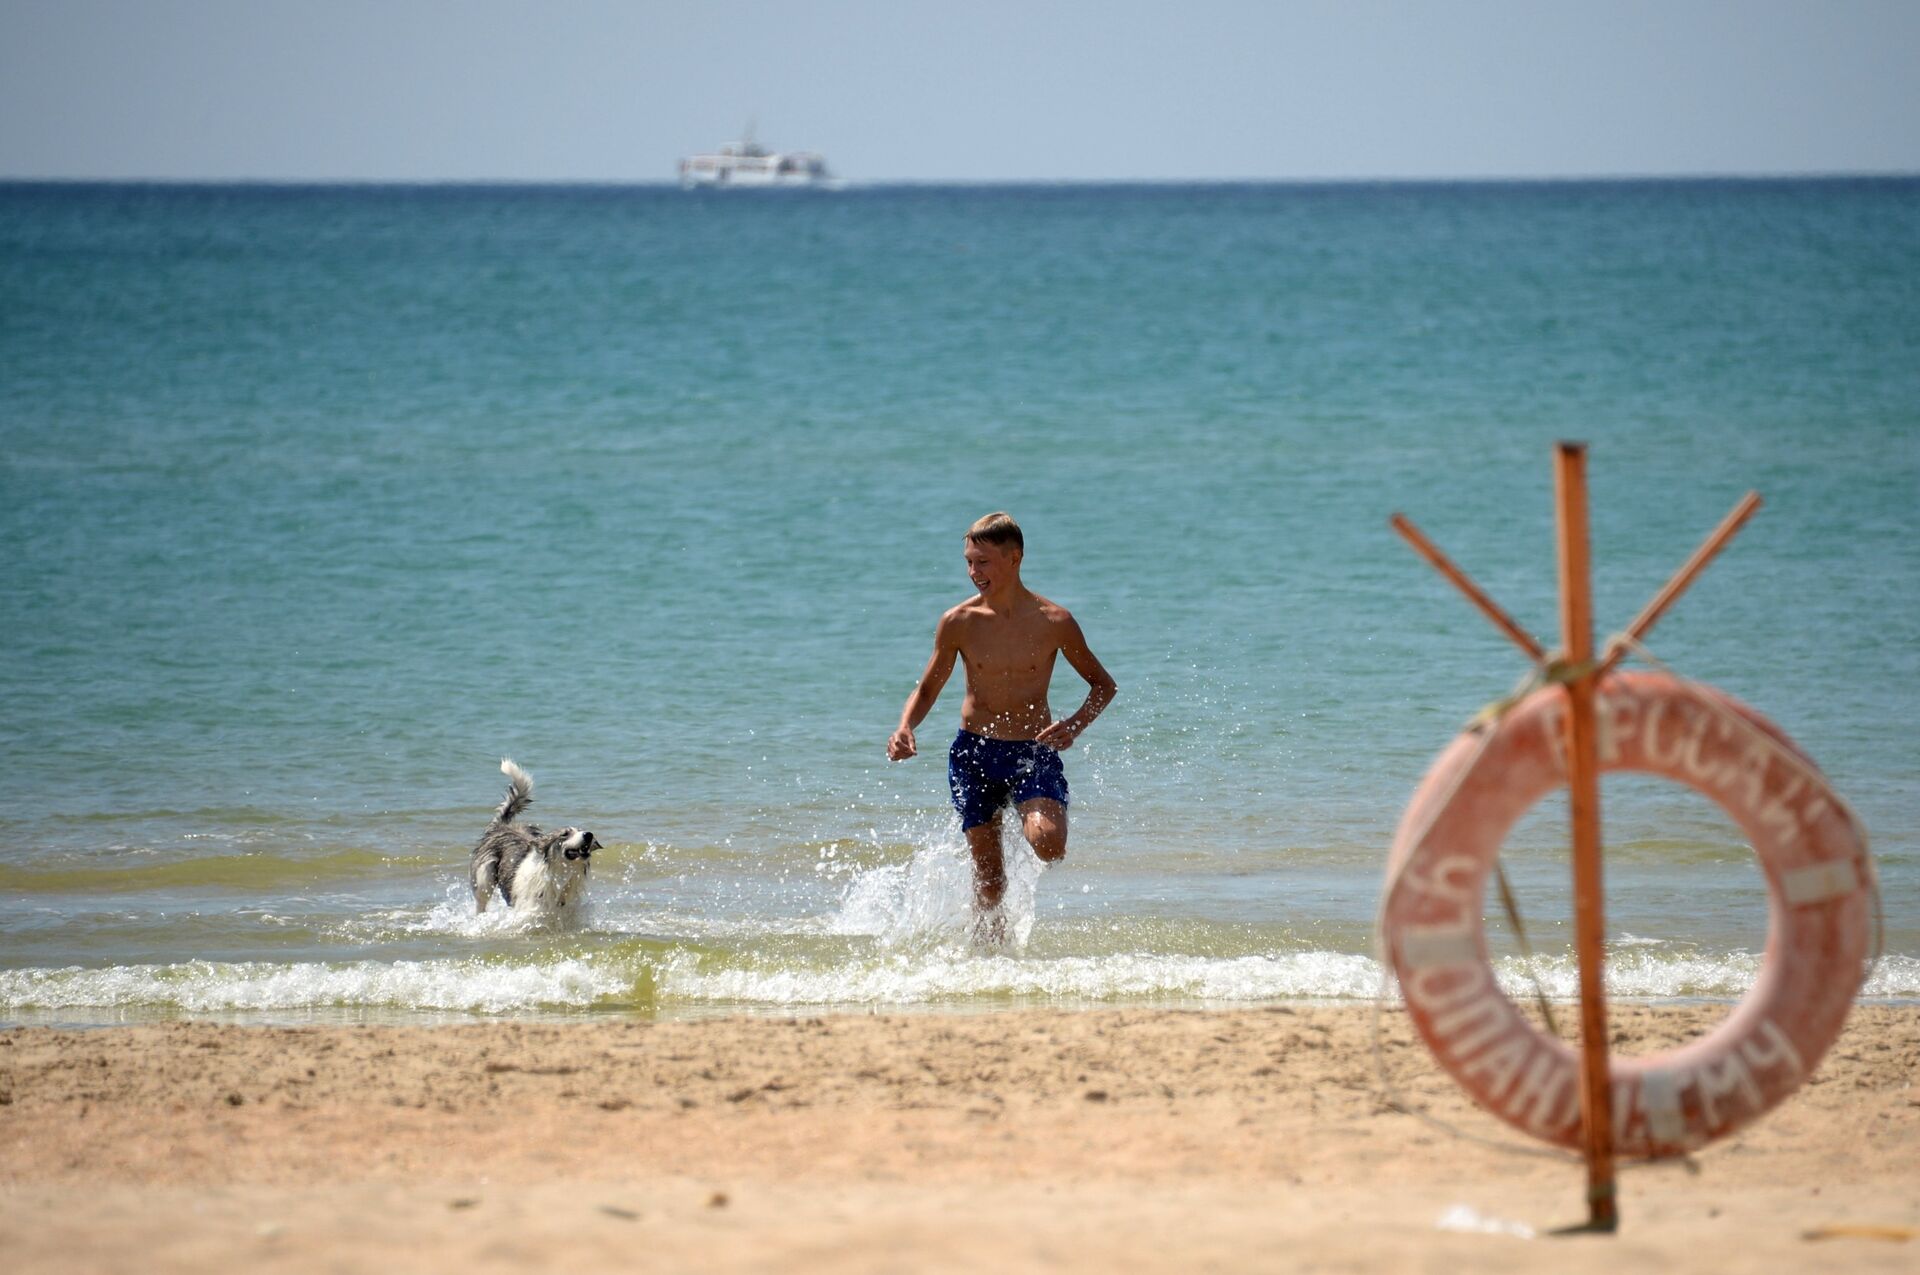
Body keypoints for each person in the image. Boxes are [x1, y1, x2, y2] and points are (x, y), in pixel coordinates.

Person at [886, 512, 1118, 935]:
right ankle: (988, 954)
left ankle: (1032, 815)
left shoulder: (1055, 622)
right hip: (974, 753)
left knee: (1049, 845)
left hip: (1033, 751)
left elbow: (1104, 685)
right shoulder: (959, 622)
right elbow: (927, 689)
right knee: (990, 880)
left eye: (984, 562)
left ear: (1015, 559)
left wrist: (1076, 724)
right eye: (969, 562)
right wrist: (905, 726)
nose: (974, 572)